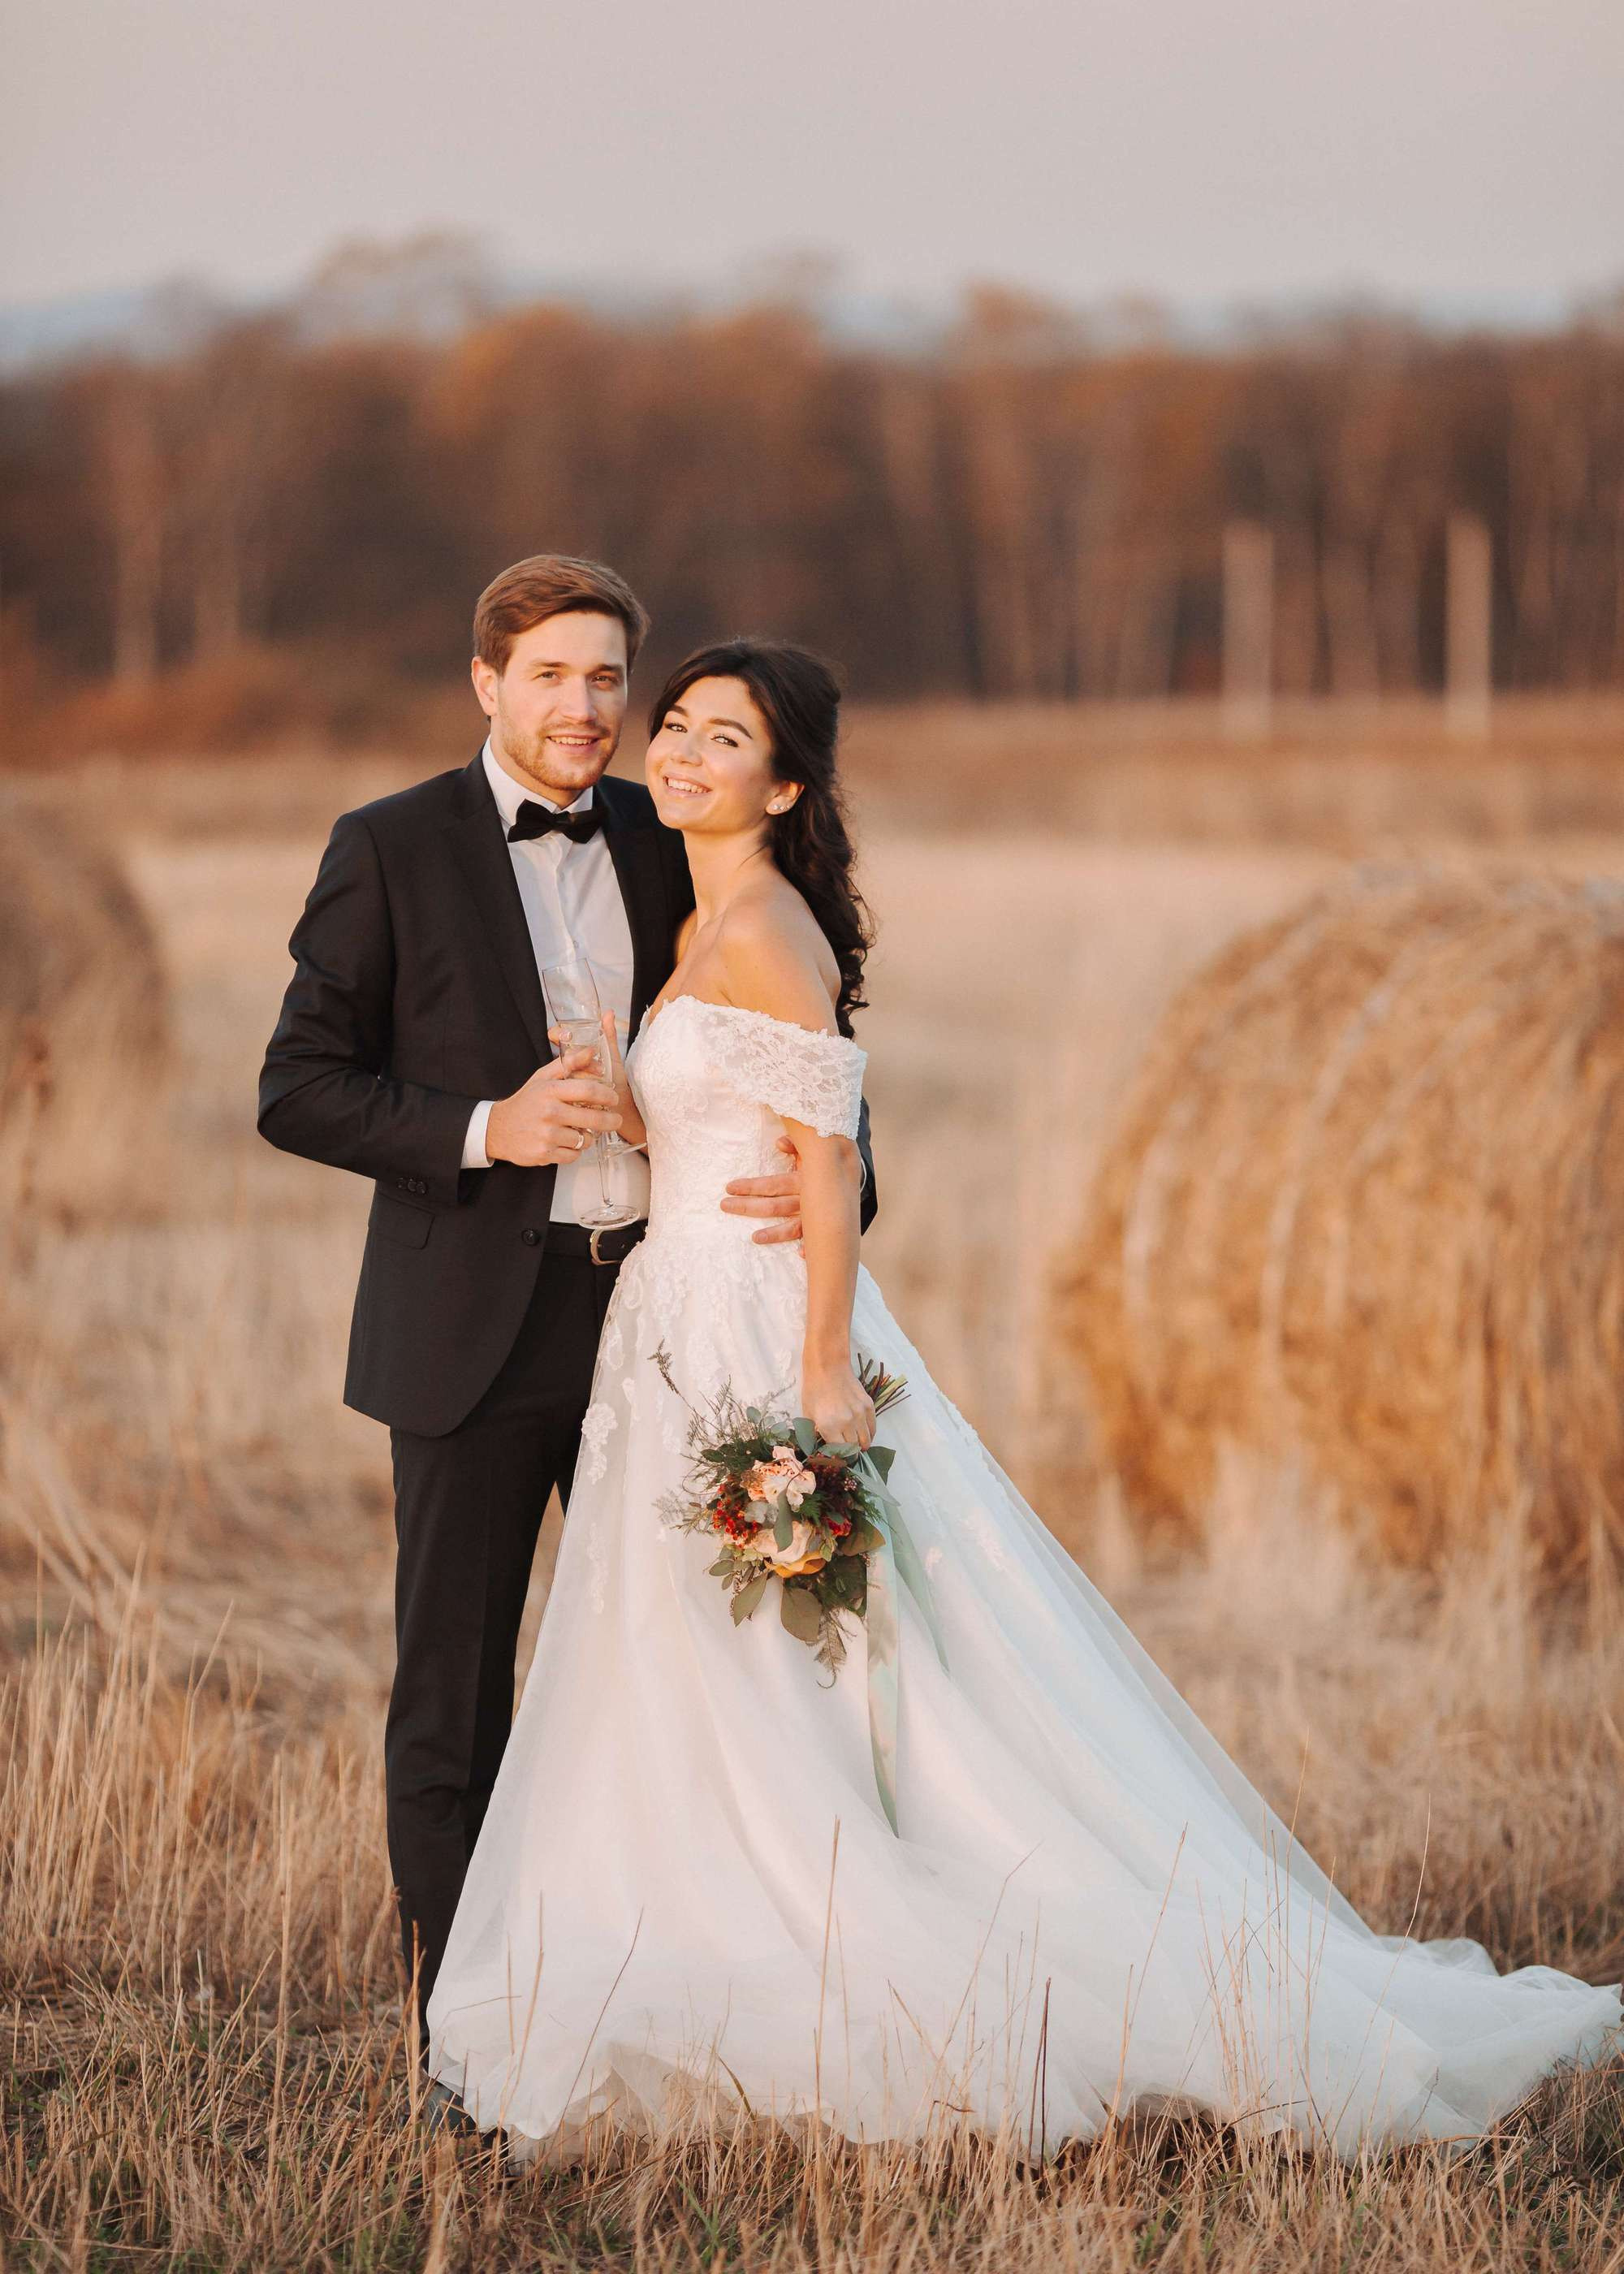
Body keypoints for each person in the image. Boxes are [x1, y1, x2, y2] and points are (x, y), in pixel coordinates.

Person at [424, 637, 1621, 2164]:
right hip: (673, 1316)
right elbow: (761, 1129)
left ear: (783, 786)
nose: (676, 752)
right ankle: (687, 1928)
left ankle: (843, 1946)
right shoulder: (698, 920)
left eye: (721, 740)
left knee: (806, 1653)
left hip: (752, 1334)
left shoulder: (768, 930)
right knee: (688, 1654)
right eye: (676, 726)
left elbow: (836, 1155)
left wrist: (815, 1370)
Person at [257, 560, 877, 2067]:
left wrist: (837, 1201)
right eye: (553, 677)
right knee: (454, 1702)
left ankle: (689, 2010)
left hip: (665, 1338)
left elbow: (803, 1050)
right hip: (470, 1327)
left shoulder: (676, 841)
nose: (588, 709)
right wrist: (485, 1128)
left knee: (675, 1689)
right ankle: (464, 2042)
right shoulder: (388, 846)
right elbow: (296, 1085)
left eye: (611, 680)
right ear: (488, 684)